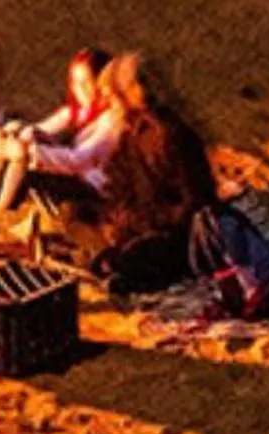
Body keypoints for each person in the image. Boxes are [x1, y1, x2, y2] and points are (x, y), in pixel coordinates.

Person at [0, 47, 120, 250]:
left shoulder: (111, 120)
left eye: (85, 82)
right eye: (75, 82)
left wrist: (28, 152)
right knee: (19, 135)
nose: (79, 89)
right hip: (74, 173)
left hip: (90, 187)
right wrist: (10, 133)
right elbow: (42, 129)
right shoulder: (78, 111)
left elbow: (81, 160)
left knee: (21, 153)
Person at [90, 53, 220, 296]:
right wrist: (117, 215)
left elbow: (195, 201)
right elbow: (120, 182)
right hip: (143, 225)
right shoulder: (134, 133)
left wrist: (147, 220)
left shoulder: (172, 134)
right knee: (105, 258)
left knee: (133, 261)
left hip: (178, 236)